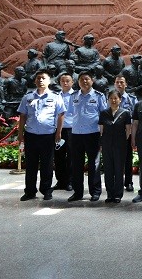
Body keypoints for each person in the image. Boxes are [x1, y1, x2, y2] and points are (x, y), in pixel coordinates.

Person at [17, 69, 66, 201]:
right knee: (31, 165)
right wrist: (20, 134)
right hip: (31, 135)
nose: (40, 80)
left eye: (43, 78)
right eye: (38, 78)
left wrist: (58, 132)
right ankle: (30, 191)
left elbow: (61, 115)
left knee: (47, 165)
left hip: (48, 136)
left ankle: (46, 190)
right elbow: (23, 116)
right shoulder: (28, 97)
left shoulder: (55, 97)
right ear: (35, 81)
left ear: (49, 81)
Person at [68, 71, 108, 202]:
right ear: (78, 82)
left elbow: (104, 115)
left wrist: (103, 135)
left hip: (92, 134)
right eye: (81, 79)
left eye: (87, 79)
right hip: (76, 134)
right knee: (76, 164)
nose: (84, 81)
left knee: (94, 164)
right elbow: (71, 113)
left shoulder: (98, 96)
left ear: (92, 80)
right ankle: (78, 192)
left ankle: (95, 191)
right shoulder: (74, 96)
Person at [99, 90, 131, 203]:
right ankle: (109, 194)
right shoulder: (104, 113)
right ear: (108, 100)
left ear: (120, 100)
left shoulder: (125, 113)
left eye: (116, 98)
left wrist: (122, 142)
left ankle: (118, 194)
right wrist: (101, 144)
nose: (113, 100)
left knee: (118, 170)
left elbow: (128, 131)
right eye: (111, 98)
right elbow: (101, 130)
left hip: (120, 145)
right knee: (108, 170)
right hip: (107, 144)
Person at [114, 75, 137, 193]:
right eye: (117, 82)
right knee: (115, 158)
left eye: (122, 82)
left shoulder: (131, 99)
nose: (119, 84)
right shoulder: (110, 98)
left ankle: (129, 182)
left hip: (127, 132)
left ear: (126, 84)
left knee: (127, 159)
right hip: (114, 133)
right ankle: (117, 181)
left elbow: (135, 117)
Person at [53, 73, 74, 192]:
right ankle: (60, 181)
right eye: (63, 81)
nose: (65, 83)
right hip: (58, 130)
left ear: (72, 82)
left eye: (67, 81)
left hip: (71, 129)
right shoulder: (56, 96)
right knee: (58, 156)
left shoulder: (76, 95)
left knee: (71, 156)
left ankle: (70, 181)